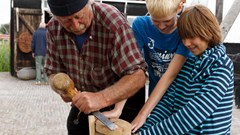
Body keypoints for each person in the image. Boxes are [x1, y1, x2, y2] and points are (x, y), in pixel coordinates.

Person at [45, 0, 147, 134]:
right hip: (85, 98)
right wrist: (60, 88)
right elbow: (53, 72)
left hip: (123, 99)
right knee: (75, 128)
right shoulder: (53, 28)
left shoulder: (113, 22)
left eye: (78, 17)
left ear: (89, 3)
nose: (75, 25)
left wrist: (101, 98)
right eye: (66, 21)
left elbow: (138, 76)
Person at [134, 4, 234, 135]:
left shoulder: (222, 67)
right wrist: (144, 128)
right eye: (183, 38)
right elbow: (168, 102)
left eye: (191, 37)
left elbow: (192, 114)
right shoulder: (187, 63)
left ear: (207, 31)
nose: (186, 43)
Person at [131, 0, 191, 131]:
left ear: (179, 7)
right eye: (156, 21)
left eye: (167, 21)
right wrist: (118, 109)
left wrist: (142, 114)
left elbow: (170, 74)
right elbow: (133, 68)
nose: (162, 26)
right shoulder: (141, 25)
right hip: (155, 96)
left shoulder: (186, 29)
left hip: (180, 97)